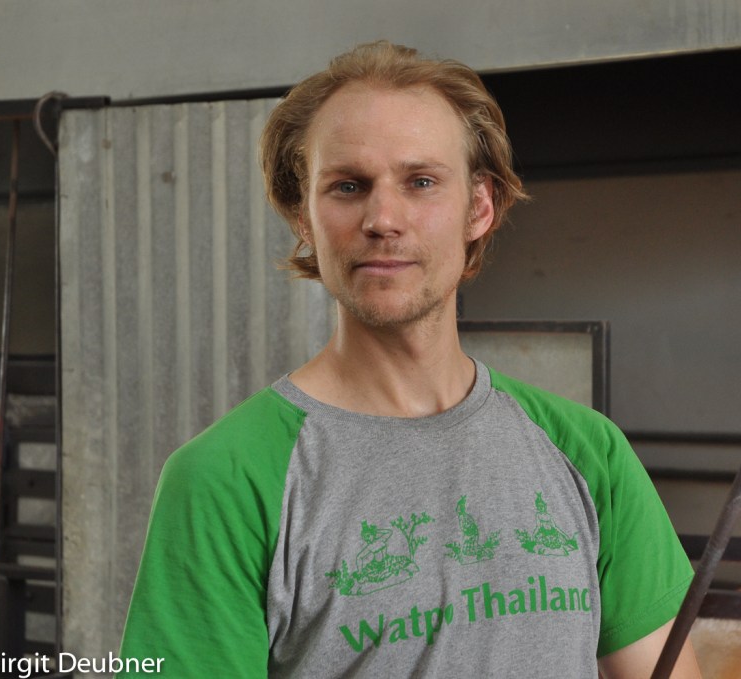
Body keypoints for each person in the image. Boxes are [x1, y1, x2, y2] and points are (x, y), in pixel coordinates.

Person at [118, 40, 701, 678]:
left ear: (480, 206)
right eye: (347, 186)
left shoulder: (588, 452)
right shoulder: (225, 480)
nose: (383, 218)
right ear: (304, 217)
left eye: (421, 182)